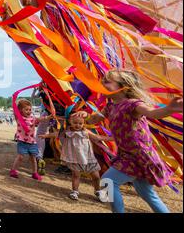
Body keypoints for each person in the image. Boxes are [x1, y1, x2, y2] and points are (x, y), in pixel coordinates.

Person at [72, 69, 183, 213]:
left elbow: (152, 113)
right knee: (147, 194)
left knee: (107, 181)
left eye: (107, 81)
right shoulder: (110, 106)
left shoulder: (133, 104)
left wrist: (169, 109)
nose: (102, 83)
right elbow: (94, 119)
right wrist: (85, 115)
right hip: (126, 155)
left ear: (123, 86)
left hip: (139, 156)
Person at [40, 115, 111, 201]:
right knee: (76, 175)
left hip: (88, 158)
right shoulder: (67, 132)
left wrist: (113, 138)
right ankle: (75, 191)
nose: (78, 125)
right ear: (70, 122)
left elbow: (98, 137)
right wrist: (45, 136)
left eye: (80, 123)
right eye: (75, 123)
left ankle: (98, 191)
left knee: (96, 176)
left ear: (83, 123)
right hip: (74, 159)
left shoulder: (86, 132)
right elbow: (56, 134)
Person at [9, 99, 49, 181]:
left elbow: (40, 119)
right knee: (20, 157)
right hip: (22, 141)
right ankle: (13, 170)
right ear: (21, 110)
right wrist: (14, 101)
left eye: (30, 109)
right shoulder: (19, 118)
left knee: (33, 159)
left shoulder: (32, 118)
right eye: (26, 109)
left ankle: (35, 173)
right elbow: (15, 111)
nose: (29, 111)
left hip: (32, 142)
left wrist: (48, 117)